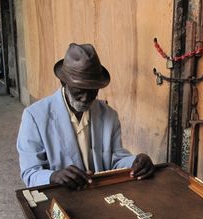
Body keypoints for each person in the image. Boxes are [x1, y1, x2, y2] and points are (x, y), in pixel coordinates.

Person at [17, 43, 155, 189]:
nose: (85, 98)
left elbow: (116, 160)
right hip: (60, 196)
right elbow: (30, 173)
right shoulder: (34, 117)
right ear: (64, 82)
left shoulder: (108, 115)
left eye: (92, 91)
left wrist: (136, 162)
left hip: (99, 194)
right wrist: (53, 176)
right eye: (79, 91)